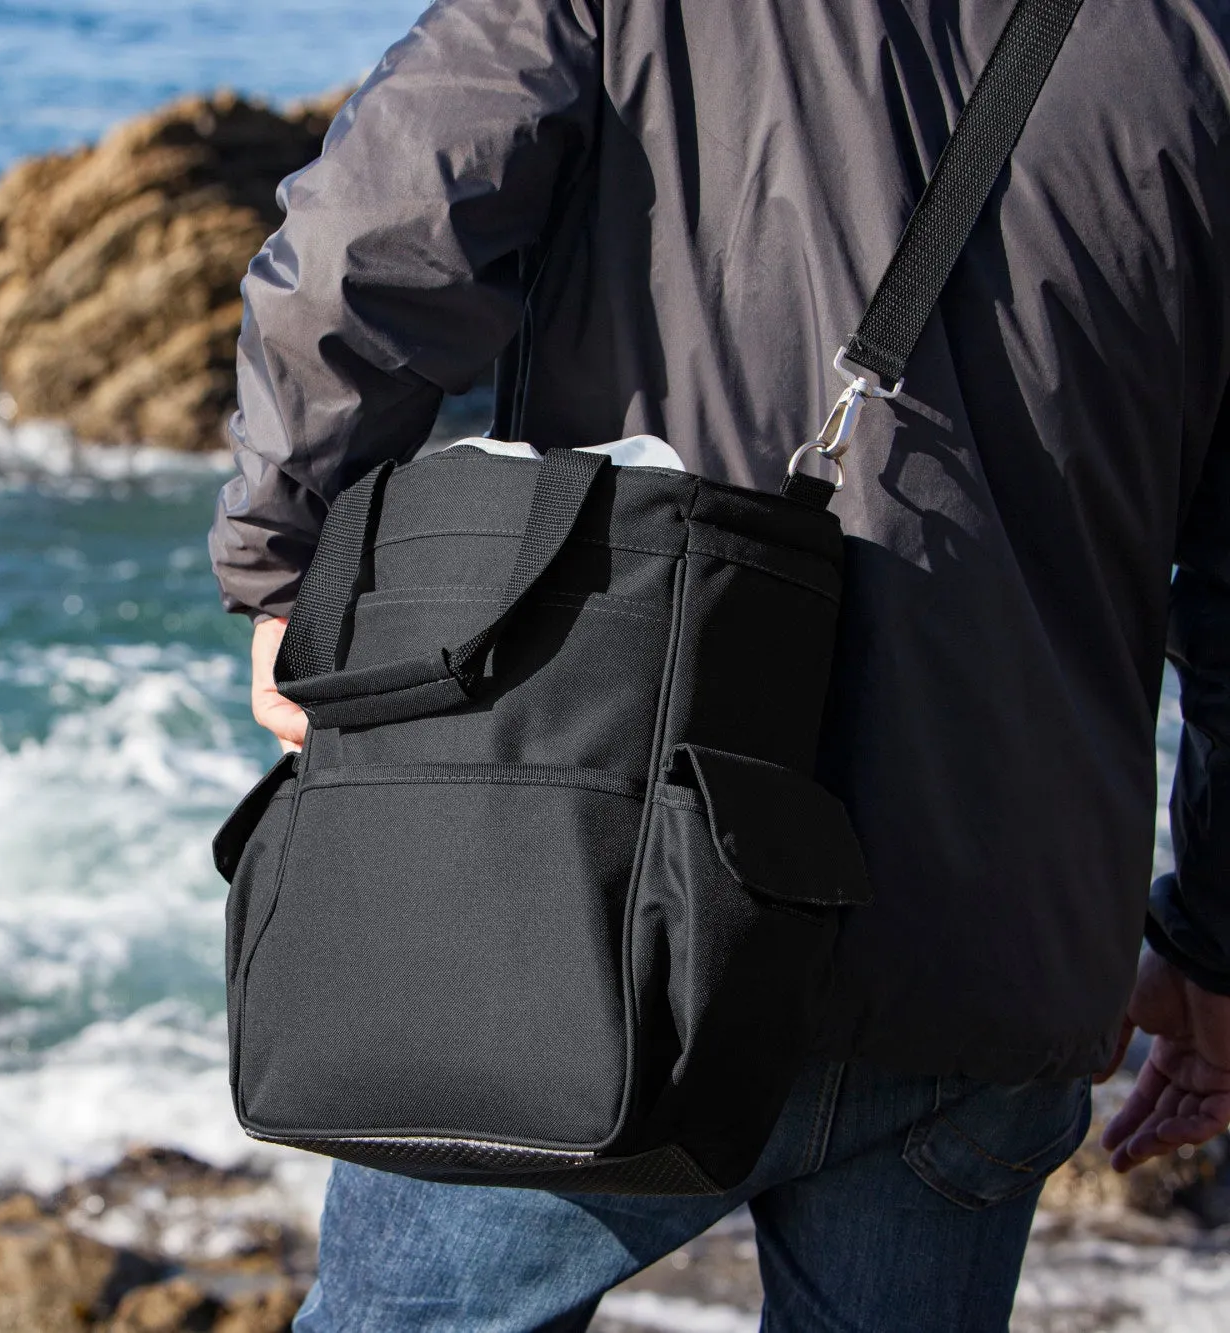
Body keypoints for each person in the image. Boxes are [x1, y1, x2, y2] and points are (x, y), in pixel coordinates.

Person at [206, 0, 1230, 1327]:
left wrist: (287, 564)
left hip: (597, 881)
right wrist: (1207, 938)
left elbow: (372, 240)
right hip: (988, 936)